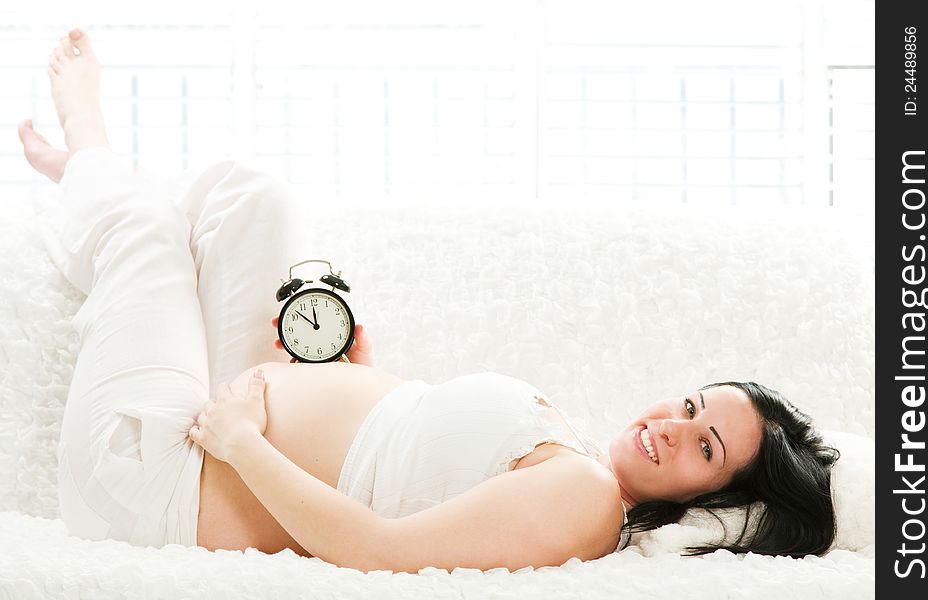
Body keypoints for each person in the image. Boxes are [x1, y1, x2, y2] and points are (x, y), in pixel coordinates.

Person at [19, 28, 841, 575]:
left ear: (709, 502)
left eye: (703, 447)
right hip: (223, 424)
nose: (671, 426)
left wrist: (242, 443)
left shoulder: (588, 502)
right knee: (256, 200)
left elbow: (378, 549)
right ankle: (103, 205)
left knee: (149, 233)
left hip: (159, 480)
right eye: (691, 405)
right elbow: (400, 466)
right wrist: (364, 383)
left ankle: (88, 159)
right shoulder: (575, 460)